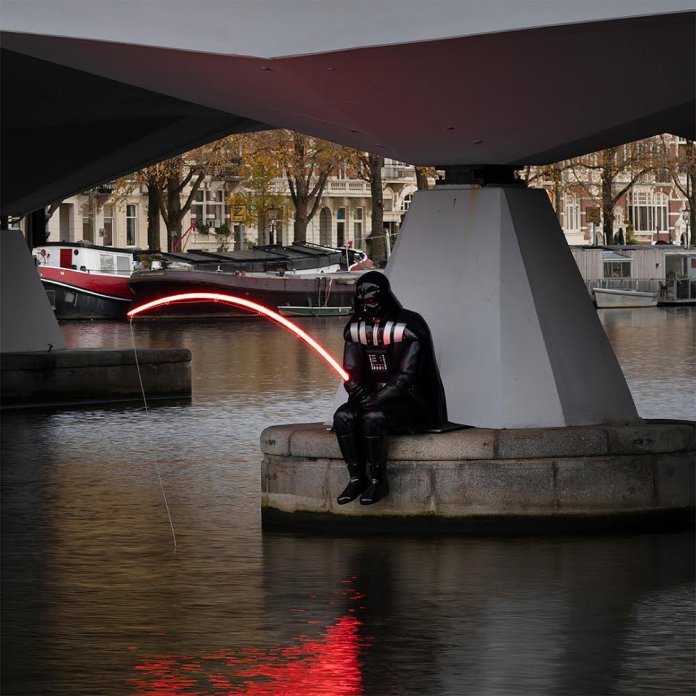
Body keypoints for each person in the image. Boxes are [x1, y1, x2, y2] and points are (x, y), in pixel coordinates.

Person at [333, 271, 447, 506]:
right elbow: (350, 368)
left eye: (372, 301)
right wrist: (354, 387)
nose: (366, 308)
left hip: (410, 400)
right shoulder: (356, 327)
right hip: (370, 396)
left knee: (372, 418)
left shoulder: (410, 326)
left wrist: (377, 398)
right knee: (343, 416)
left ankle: (377, 481)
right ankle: (356, 478)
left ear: (384, 298)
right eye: (362, 303)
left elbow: (407, 376)